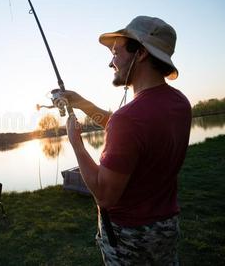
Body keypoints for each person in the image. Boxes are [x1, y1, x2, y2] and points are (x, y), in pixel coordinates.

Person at [64, 16, 191, 265]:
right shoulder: (180, 103)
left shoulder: (129, 119)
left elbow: (105, 195)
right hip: (165, 229)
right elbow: (132, 131)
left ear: (140, 53)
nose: (111, 62)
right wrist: (81, 103)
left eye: (115, 52)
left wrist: (76, 144)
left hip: (130, 239)